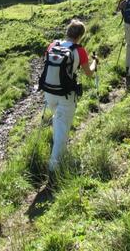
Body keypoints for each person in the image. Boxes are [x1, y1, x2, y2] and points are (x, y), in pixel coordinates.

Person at [40, 19, 97, 173]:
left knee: (58, 120)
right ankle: (54, 168)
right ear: (80, 36)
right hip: (66, 95)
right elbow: (89, 73)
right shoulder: (79, 50)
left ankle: (60, 151)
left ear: (68, 32)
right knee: (63, 128)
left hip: (49, 92)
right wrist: (95, 63)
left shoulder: (53, 45)